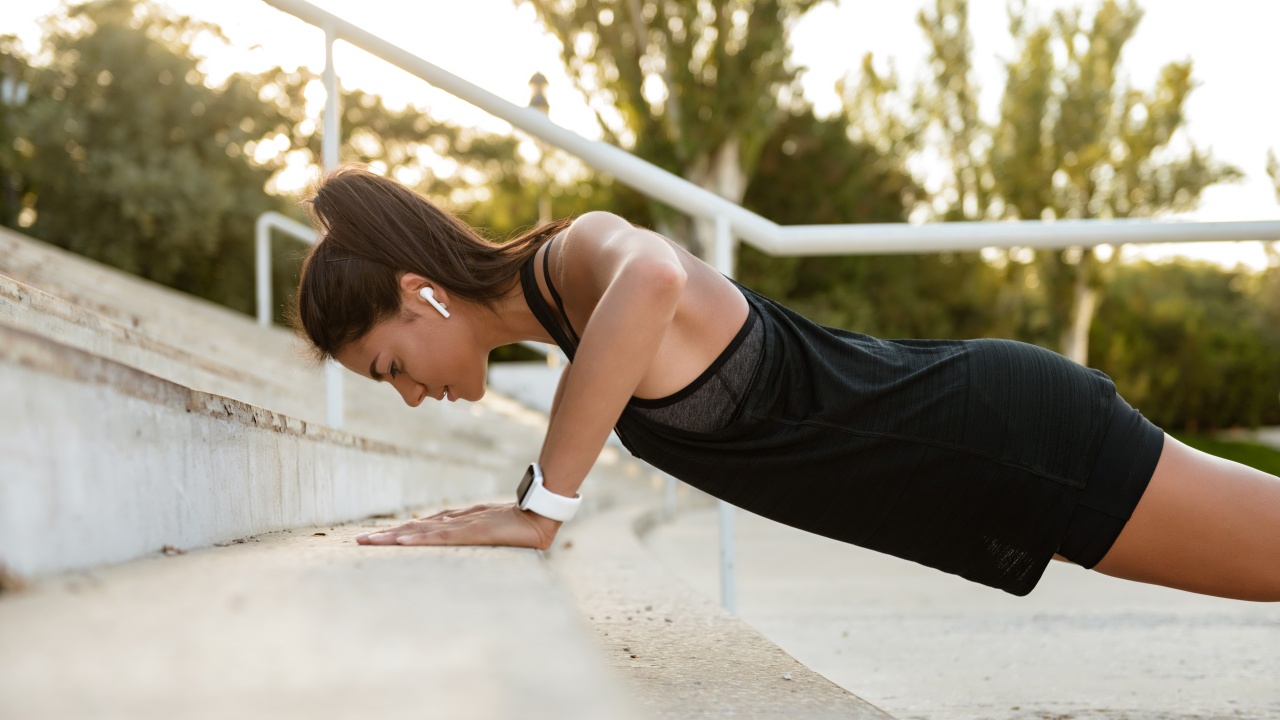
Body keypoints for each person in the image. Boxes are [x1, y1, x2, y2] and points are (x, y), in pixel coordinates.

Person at [291, 166, 1280, 601]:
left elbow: (657, 275)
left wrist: (540, 505)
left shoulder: (580, 255)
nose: (409, 395)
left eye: (390, 369)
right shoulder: (566, 317)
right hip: (988, 472)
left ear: (421, 296)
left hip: (1006, 437)